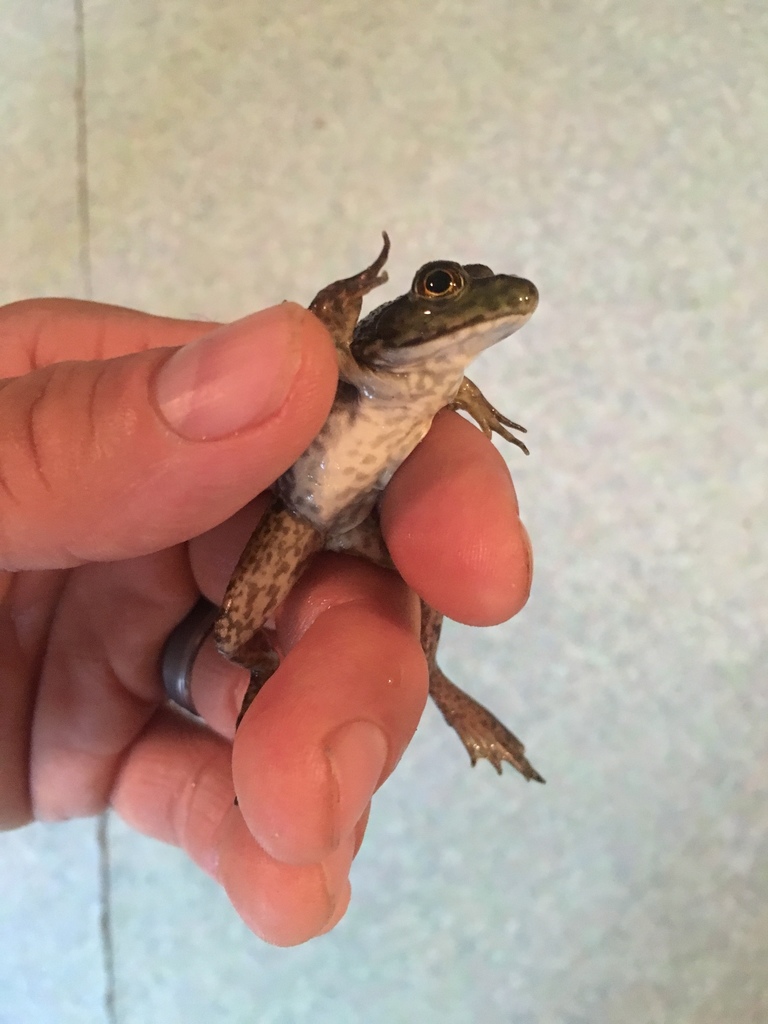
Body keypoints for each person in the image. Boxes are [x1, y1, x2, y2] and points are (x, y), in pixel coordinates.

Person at [0, 297, 533, 945]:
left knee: (424, 582)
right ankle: (262, 675)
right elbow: (323, 330)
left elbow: (452, 383)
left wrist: (477, 407)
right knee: (235, 633)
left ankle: (440, 690)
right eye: (443, 286)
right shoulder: (349, 365)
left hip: (359, 517)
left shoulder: (439, 384)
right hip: (298, 513)